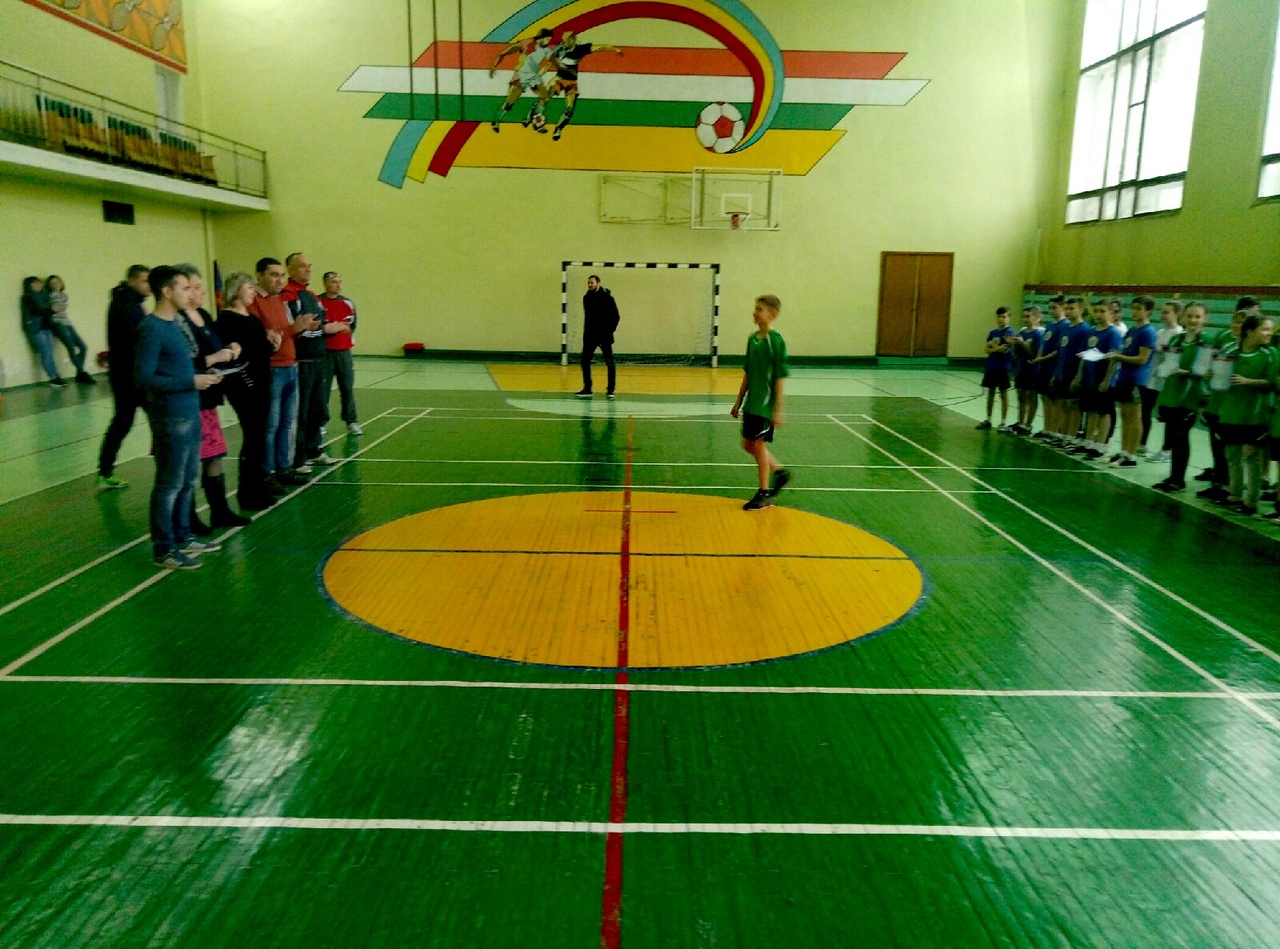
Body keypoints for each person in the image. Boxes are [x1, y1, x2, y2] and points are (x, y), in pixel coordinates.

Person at [133, 265, 222, 570]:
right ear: (167, 291)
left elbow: (176, 367)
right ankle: (164, 548)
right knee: (169, 484)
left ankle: (183, 536)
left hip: (189, 410)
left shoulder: (176, 324)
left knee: (188, 480)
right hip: (170, 416)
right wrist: (190, 381)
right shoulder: (151, 328)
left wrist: (201, 374)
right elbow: (144, 378)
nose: (190, 293)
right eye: (184, 288)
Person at [175, 264, 250, 532]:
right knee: (187, 462)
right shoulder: (176, 322)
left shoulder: (204, 316)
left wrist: (228, 349)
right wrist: (214, 358)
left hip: (208, 398)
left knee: (215, 455)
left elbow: (214, 348)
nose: (199, 292)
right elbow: (183, 362)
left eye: (198, 286)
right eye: (192, 287)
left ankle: (220, 510)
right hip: (187, 400)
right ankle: (187, 517)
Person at [215, 271, 277, 511]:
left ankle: (256, 486)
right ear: (237, 290)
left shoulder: (252, 318)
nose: (253, 292)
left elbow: (260, 350)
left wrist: (272, 345)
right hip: (245, 385)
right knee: (253, 437)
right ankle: (247, 492)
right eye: (249, 288)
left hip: (261, 382)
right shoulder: (227, 320)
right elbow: (235, 357)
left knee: (258, 438)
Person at [249, 257, 311, 492]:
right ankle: (268, 473)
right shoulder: (254, 302)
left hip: (290, 365)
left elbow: (286, 332)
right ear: (260, 275)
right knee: (271, 425)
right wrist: (292, 328)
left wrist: (301, 328)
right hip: (272, 368)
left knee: (287, 423)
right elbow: (263, 336)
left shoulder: (280, 299)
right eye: (274, 275)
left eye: (281, 275)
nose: (279, 280)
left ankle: (284, 468)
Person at [730, 295, 791, 511]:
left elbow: (779, 377)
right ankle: (780, 472)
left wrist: (778, 409)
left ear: (772, 314)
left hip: (765, 405)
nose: (755, 313)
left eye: (760, 309)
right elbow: (748, 373)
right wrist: (738, 401)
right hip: (752, 403)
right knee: (748, 444)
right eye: (755, 308)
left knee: (758, 444)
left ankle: (763, 493)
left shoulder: (775, 341)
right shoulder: (752, 339)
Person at [1215, 313, 1275, 517]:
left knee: (1251, 456)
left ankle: (1251, 501)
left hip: (1254, 415)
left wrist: (1248, 382)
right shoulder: (1231, 351)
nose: (1269, 333)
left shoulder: (1269, 354)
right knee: (1232, 455)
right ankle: (1235, 494)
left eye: (1270, 329)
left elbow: (1272, 383)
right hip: (1230, 412)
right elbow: (1218, 376)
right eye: (1264, 329)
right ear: (1250, 331)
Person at [97, 265, 151, 488]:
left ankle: (105, 472)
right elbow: (136, 340)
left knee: (123, 421)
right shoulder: (127, 306)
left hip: (127, 373)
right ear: (132, 281)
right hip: (129, 375)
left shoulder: (129, 302)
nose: (149, 286)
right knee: (127, 421)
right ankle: (105, 472)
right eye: (145, 281)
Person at [1153, 303, 1210, 493]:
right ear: (1183, 317)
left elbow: (1204, 370)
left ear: (1205, 319)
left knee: (1181, 436)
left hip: (1190, 395)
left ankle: (1179, 480)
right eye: (1189, 316)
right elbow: (1168, 364)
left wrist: (1184, 372)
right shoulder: (1176, 339)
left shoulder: (1205, 341)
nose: (1193, 320)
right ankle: (1173, 476)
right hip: (1172, 392)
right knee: (1172, 435)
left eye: (1197, 317)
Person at [281, 253, 332, 467]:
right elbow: (291, 328)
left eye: (309, 266)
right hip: (301, 363)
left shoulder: (312, 296)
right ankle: (298, 456)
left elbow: (322, 323)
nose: (308, 270)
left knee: (317, 409)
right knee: (300, 412)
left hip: (319, 360)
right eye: (302, 266)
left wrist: (330, 328)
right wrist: (306, 328)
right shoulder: (288, 296)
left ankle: (313, 449)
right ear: (290, 269)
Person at [1104, 295, 1157, 468]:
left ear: (1148, 311)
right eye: (1133, 308)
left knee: (1134, 418)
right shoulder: (1132, 330)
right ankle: (1124, 451)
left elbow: (1142, 359)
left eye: (1139, 309)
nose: (1134, 312)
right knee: (1125, 416)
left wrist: (1118, 357)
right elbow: (1125, 351)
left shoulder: (1148, 332)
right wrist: (1116, 353)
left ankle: (1132, 455)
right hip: (1124, 378)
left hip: (1136, 380)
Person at [545, 30, 622, 141]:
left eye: (566, 40)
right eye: (563, 40)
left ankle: (558, 129)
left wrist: (614, 49)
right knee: (546, 96)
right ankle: (533, 116)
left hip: (571, 82)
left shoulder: (580, 49)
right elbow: (549, 63)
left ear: (572, 39)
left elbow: (600, 47)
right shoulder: (560, 49)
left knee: (569, 110)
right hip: (559, 79)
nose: (564, 42)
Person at [1072, 300, 1123, 460]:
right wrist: (1079, 375)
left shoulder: (1113, 333)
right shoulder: (1091, 331)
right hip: (1089, 377)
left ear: (1110, 313)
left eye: (1102, 311)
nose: (1098, 314)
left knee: (1103, 412)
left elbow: (1114, 358)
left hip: (1103, 378)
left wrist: (1107, 380)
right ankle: (1088, 442)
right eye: (1096, 311)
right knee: (1090, 411)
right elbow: (1085, 355)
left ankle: (1100, 445)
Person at [318, 271, 361, 435]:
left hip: (344, 353)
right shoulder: (318, 302)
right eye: (334, 282)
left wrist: (343, 334)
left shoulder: (347, 303)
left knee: (347, 388)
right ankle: (321, 422)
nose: (338, 285)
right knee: (323, 390)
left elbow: (352, 325)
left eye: (340, 282)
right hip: (325, 354)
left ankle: (351, 421)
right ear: (325, 284)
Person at [489, 29, 556, 131]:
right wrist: (494, 65)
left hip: (534, 77)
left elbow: (553, 60)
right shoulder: (527, 43)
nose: (548, 42)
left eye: (549, 40)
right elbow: (504, 52)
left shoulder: (546, 50)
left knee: (545, 97)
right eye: (547, 39)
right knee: (509, 104)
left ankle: (536, 122)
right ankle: (496, 122)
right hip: (521, 75)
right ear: (541, 38)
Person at [1142, 301, 1183, 463]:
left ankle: (1166, 450)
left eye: (1167, 312)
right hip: (1153, 379)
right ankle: (1141, 444)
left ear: (1177, 314)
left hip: (1167, 381)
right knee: (1145, 410)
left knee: (1168, 418)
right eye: (1162, 312)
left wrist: (1162, 349)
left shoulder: (1179, 333)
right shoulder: (1160, 332)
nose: (1163, 315)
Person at [44, 275, 94, 384]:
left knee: (83, 347)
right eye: (52, 283)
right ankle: (82, 373)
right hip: (58, 323)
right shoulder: (50, 295)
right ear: (49, 286)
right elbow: (55, 308)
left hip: (67, 323)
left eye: (57, 282)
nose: (55, 284)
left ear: (61, 282)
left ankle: (80, 373)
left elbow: (61, 308)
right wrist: (57, 307)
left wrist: (58, 307)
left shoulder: (64, 295)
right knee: (71, 347)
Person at [576, 274, 620, 398]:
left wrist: (609, 331)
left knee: (609, 362)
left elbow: (616, 317)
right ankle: (587, 388)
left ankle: (610, 390)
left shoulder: (607, 297)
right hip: (590, 336)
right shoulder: (586, 298)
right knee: (585, 360)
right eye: (588, 283)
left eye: (592, 282)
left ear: (598, 283)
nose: (590, 285)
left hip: (604, 336)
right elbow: (589, 319)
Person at [1030, 295, 1067, 440]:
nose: (1051, 311)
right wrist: (1038, 360)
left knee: (1056, 401)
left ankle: (1056, 430)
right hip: (1043, 368)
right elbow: (1043, 345)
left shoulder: (1064, 325)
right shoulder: (1050, 326)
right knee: (1045, 399)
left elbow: (1059, 350)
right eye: (1050, 308)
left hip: (1054, 368)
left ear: (1063, 307)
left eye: (1054, 308)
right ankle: (1047, 428)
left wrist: (1043, 359)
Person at [20, 276, 63, 387]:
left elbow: (52, 308)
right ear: (29, 285)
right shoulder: (26, 297)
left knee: (50, 353)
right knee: (46, 354)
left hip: (47, 328)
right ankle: (53, 378)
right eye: (35, 283)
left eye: (39, 283)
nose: (38, 285)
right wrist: (51, 309)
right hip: (35, 329)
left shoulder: (44, 296)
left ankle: (56, 376)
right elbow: (35, 311)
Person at [1008, 305, 1043, 435]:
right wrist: (1013, 344)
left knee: (1031, 397)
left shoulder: (1038, 334)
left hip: (1033, 370)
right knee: (1021, 396)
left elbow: (1034, 355)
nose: (1025, 319)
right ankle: (1020, 422)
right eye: (1024, 316)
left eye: (1028, 316)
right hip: (1021, 369)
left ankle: (1028, 424)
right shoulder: (1022, 332)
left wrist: (1022, 343)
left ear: (1036, 317)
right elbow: (1017, 353)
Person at [977, 307, 1013, 430]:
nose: (1001, 319)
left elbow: (1005, 349)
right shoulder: (993, 333)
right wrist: (997, 348)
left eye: (1004, 317)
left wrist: (993, 347)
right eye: (999, 317)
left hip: (1003, 367)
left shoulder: (1010, 332)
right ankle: (988, 419)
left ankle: (1003, 422)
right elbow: (986, 349)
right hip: (991, 366)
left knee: (1003, 393)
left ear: (1009, 318)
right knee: (990, 393)